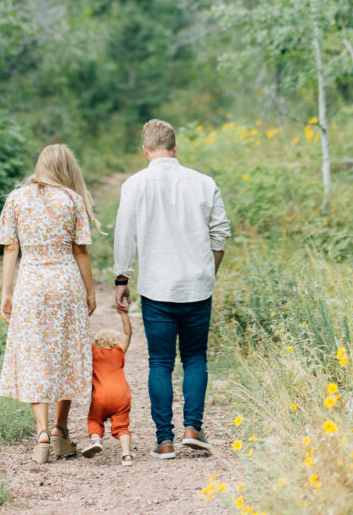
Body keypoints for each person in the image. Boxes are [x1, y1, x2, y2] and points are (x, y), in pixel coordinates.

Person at [114, 118, 231, 459]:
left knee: (160, 362)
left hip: (157, 289)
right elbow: (221, 233)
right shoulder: (203, 183)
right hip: (197, 286)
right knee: (195, 357)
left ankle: (164, 439)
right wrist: (208, 271)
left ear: (145, 150)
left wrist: (122, 279)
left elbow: (125, 236)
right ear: (175, 147)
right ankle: (193, 427)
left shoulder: (134, 185)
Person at [0, 143, 99, 464]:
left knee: (34, 352)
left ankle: (40, 432)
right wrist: (90, 291)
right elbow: (80, 251)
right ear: (67, 169)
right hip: (65, 282)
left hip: (31, 284)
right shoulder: (72, 200)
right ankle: (60, 431)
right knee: (66, 350)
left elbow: (11, 248)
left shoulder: (16, 198)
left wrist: (6, 291)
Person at [82, 310, 134, 466]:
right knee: (122, 426)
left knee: (94, 419)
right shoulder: (118, 351)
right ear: (114, 342)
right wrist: (124, 314)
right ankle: (126, 455)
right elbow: (127, 334)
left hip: (101, 397)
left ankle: (96, 440)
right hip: (121, 396)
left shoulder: (92, 352)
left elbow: (81, 339)